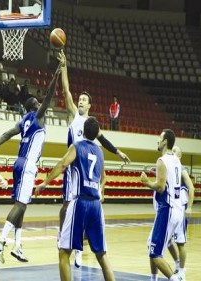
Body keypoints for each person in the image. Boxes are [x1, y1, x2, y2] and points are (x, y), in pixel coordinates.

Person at [0, 62, 62, 263]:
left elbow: (6, 134)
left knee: (22, 206)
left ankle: (18, 245)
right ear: (34, 106)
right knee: (20, 204)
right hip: (27, 165)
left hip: (19, 163)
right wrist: (56, 74)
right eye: (37, 102)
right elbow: (50, 94)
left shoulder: (23, 121)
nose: (39, 103)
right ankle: (1, 240)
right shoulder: (37, 116)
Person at [58, 50, 130, 267]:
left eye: (83, 100)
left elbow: (104, 140)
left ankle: (77, 250)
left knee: (77, 207)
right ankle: (64, 235)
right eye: (79, 99)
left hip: (83, 173)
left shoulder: (91, 124)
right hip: (72, 169)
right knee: (65, 206)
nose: (79, 101)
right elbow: (66, 89)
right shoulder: (73, 115)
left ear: (89, 105)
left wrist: (117, 152)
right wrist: (64, 67)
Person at [35, 117, 115, 281]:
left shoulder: (77, 146)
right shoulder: (100, 152)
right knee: (101, 254)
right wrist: (101, 190)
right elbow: (104, 177)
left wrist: (45, 182)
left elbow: (62, 164)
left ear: (83, 130)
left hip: (80, 202)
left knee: (64, 252)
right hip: (96, 206)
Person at [140, 129, 184, 281]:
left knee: (155, 253)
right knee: (150, 245)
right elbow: (169, 180)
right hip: (177, 209)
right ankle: (155, 278)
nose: (157, 140)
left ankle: (175, 278)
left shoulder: (162, 160)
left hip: (168, 209)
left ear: (165, 141)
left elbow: (160, 187)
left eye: (159, 138)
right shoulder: (176, 160)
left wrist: (146, 182)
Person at [167, 145, 195, 280]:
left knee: (181, 242)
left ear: (180, 155)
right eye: (171, 151)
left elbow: (192, 188)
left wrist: (189, 207)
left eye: (175, 151)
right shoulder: (170, 169)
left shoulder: (182, 170)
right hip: (171, 209)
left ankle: (182, 272)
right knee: (167, 241)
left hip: (181, 209)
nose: (172, 153)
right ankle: (177, 263)